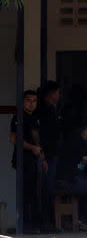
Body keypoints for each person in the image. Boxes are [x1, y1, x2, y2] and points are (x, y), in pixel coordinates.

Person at [9, 90, 46, 233]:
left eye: (34, 101)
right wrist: (32, 148)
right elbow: (13, 139)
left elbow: (37, 141)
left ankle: (36, 224)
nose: (31, 103)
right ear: (23, 101)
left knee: (35, 193)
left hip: (35, 161)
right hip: (24, 160)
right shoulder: (19, 117)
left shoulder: (34, 118)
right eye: (28, 100)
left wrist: (42, 157)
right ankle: (25, 226)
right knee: (27, 193)